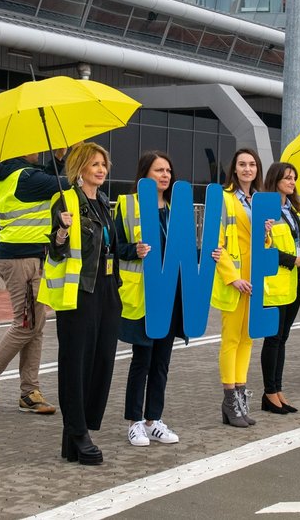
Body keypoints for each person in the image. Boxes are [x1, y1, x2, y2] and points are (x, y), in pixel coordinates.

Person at [38, 142, 121, 466]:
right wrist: (61, 231)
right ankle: (78, 433)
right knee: (76, 365)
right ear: (80, 168)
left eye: (104, 164)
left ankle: (76, 433)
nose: (101, 169)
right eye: (95, 164)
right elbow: (56, 250)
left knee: (102, 361)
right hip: (78, 293)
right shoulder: (66, 199)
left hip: (107, 288)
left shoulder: (102, 201)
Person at [0, 150, 67, 417]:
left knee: (35, 325)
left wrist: (58, 159)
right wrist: (68, 164)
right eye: (33, 146)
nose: (38, 150)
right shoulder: (24, 177)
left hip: (30, 255)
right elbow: (61, 184)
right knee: (25, 325)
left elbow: (48, 177)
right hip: (21, 258)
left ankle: (29, 391)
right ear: (20, 150)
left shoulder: (14, 174)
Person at [117, 151, 183, 446]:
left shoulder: (174, 209)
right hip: (143, 294)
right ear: (145, 173)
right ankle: (134, 422)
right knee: (142, 360)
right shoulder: (127, 205)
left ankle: (154, 419)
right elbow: (114, 246)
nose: (165, 175)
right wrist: (135, 250)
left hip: (170, 294)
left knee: (162, 362)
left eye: (168, 170)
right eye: (159, 170)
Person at [211, 148, 263, 427]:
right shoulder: (224, 198)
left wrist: (266, 233)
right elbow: (215, 244)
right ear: (234, 168)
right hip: (235, 280)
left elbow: (266, 246)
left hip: (254, 280)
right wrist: (232, 277)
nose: (247, 169)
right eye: (242, 164)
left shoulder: (260, 201)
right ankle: (230, 399)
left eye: (252, 164)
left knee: (248, 339)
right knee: (231, 339)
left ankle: (241, 396)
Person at [259, 162, 300, 415]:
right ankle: (269, 393)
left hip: (293, 283)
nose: (292, 182)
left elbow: (298, 242)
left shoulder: (294, 209)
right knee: (273, 340)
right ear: (275, 180)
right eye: (287, 178)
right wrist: (294, 260)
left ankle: (277, 390)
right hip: (275, 283)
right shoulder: (266, 210)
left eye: (294, 178)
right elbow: (264, 248)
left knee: (282, 340)